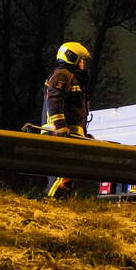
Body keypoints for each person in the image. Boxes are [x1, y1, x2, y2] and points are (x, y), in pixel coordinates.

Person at [42, 42, 92, 197]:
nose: (83, 63)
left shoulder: (73, 78)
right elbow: (54, 100)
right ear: (72, 57)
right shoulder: (63, 74)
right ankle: (51, 200)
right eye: (81, 60)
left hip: (71, 132)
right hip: (60, 132)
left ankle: (61, 200)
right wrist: (60, 125)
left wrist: (83, 133)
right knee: (60, 171)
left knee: (70, 171)